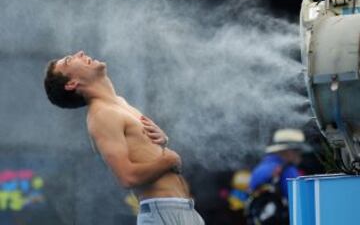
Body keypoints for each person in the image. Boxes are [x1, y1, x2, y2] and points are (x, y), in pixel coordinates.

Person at [43, 51, 205, 225]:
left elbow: (142, 153)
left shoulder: (119, 103)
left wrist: (163, 142)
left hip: (183, 210)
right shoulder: (101, 115)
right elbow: (127, 177)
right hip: (163, 213)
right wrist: (170, 160)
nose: (80, 53)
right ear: (72, 83)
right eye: (69, 60)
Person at [245, 128, 305, 225]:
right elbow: (299, 203)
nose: (300, 155)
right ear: (288, 151)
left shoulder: (258, 169)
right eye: (297, 150)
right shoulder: (288, 170)